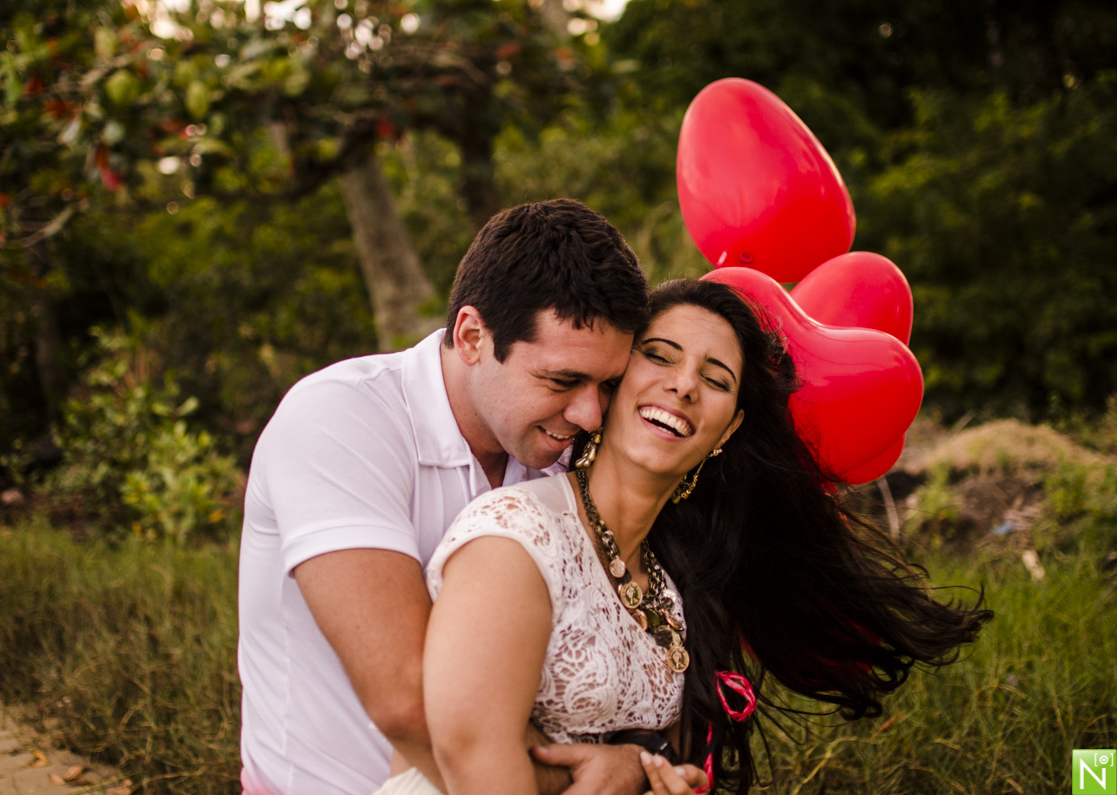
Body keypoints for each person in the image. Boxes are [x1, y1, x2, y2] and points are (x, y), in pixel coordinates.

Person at [377, 279, 991, 795]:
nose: (685, 385)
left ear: (728, 429)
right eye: (661, 356)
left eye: (716, 379)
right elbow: (469, 751)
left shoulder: (674, 589)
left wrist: (662, 779)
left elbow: (663, 764)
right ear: (614, 379)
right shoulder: (518, 534)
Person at [237, 198, 656, 795]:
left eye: (607, 385)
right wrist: (593, 772)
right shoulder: (338, 420)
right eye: (562, 380)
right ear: (472, 336)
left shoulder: (566, 447)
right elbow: (408, 701)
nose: (590, 414)